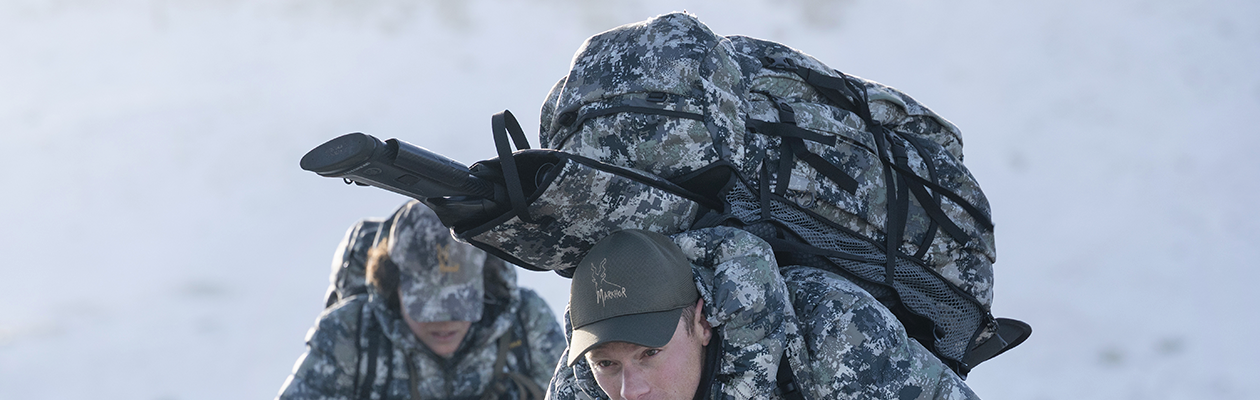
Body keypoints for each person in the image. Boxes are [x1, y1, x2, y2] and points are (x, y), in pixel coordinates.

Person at [548, 228, 979, 400]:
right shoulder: (580, 390)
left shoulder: (832, 325)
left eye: (649, 353)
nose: (629, 391)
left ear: (701, 322)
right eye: (607, 363)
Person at [277, 200, 566, 400]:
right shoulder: (349, 331)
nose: (443, 321)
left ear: (484, 286)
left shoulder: (527, 322)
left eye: (458, 303)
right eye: (424, 306)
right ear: (393, 287)